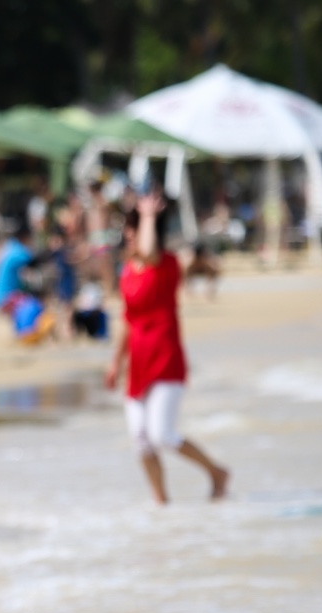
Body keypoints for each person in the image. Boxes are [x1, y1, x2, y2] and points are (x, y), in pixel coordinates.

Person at [104, 192, 230, 506]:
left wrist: (147, 215)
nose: (128, 238)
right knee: (141, 441)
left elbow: (149, 251)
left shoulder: (167, 264)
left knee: (163, 434)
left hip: (166, 358)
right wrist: (115, 362)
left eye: (132, 232)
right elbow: (126, 319)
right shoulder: (127, 272)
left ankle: (216, 472)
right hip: (138, 362)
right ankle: (162, 502)